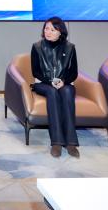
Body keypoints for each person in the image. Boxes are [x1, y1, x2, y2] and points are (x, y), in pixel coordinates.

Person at [30, 17, 79, 158]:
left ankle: (71, 142)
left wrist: (64, 81)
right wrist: (50, 81)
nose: (48, 32)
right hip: (44, 84)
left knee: (68, 91)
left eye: (52, 29)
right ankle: (56, 142)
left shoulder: (70, 48)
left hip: (64, 83)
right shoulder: (37, 47)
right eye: (46, 28)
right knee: (52, 92)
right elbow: (36, 72)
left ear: (60, 32)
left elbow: (74, 72)